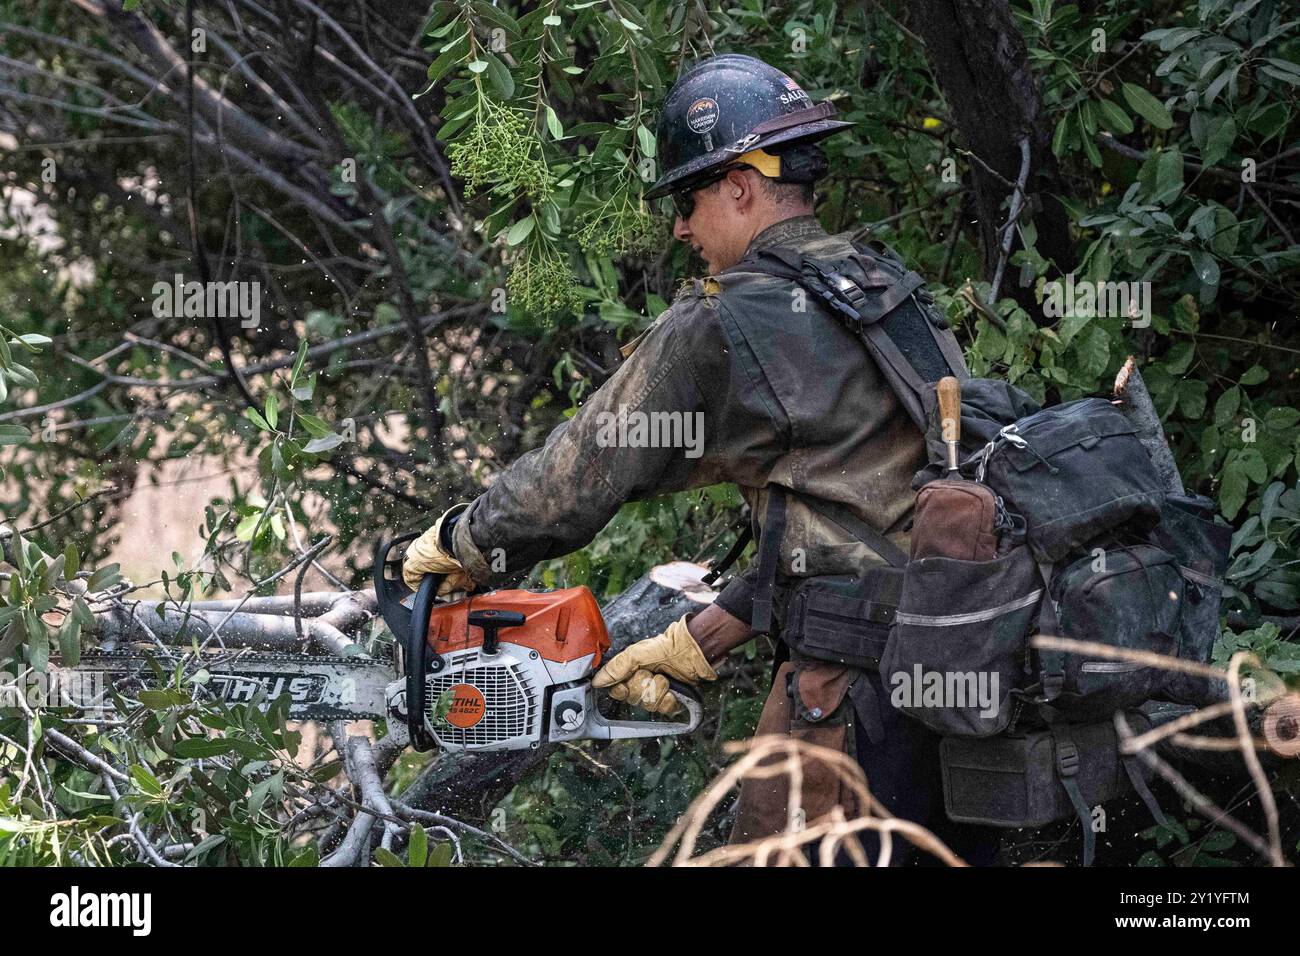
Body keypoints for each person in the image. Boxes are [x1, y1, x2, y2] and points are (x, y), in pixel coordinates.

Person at [404, 53, 1000, 865]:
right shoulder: (883, 290)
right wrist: (710, 633)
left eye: (688, 201)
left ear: (741, 187)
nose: (681, 228)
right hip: (953, 663)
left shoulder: (729, 319)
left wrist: (459, 544)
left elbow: (579, 477)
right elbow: (875, 507)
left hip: (851, 695)